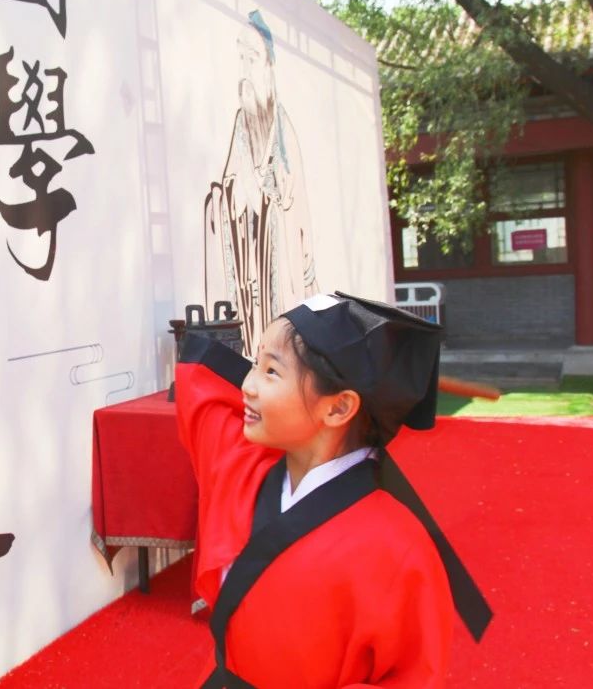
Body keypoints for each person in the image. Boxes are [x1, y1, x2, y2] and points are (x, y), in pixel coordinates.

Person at [176, 292, 490, 688]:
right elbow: (200, 386)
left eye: (271, 371)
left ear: (339, 408)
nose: (247, 386)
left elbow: (413, 678)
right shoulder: (241, 469)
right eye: (253, 363)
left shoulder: (398, 546)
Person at [203, 10, 318, 356]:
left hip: (277, 269)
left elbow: (293, 209)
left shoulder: (283, 132)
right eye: (240, 58)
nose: (244, 69)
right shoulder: (242, 123)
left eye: (251, 58)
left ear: (269, 67)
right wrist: (230, 197)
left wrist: (262, 196)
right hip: (247, 265)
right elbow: (228, 189)